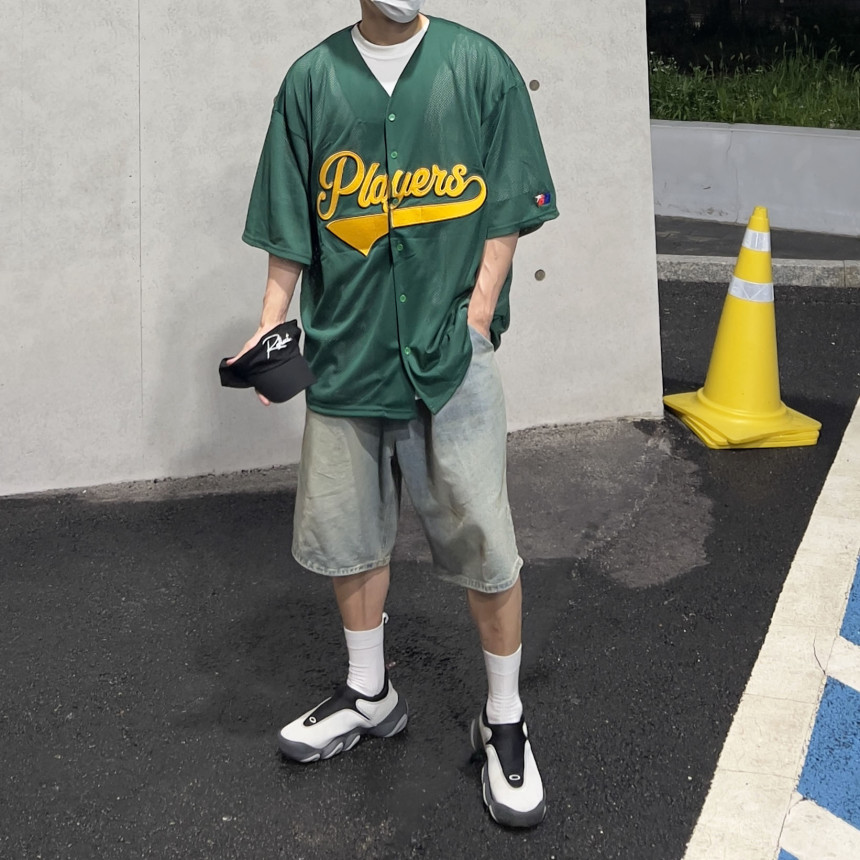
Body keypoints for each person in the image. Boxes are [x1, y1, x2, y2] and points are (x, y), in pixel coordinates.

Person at [230, 0, 558, 828]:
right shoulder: (311, 81)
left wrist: (477, 316)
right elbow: (289, 225)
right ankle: (368, 692)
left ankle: (505, 718)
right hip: (346, 355)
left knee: (487, 546)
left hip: (449, 359)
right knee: (350, 535)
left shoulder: (478, 67)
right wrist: (271, 322)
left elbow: (509, 207)